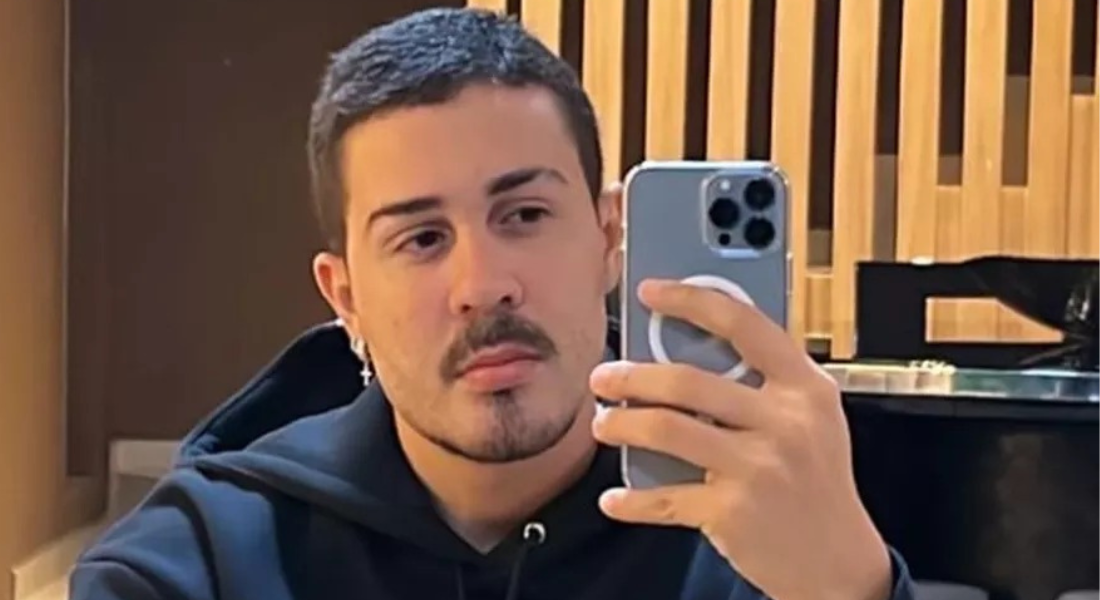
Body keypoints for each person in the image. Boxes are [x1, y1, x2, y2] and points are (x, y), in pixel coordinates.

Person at [70, 7, 915, 600]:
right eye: (421, 238)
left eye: (524, 215)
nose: (483, 284)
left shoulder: (768, 533)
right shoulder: (200, 563)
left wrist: (854, 591)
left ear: (607, 236)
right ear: (346, 296)